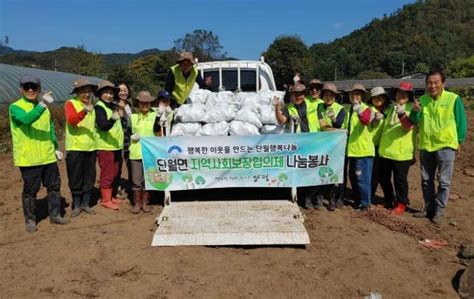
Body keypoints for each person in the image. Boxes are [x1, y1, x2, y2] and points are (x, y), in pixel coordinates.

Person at [9, 75, 68, 232]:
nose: (30, 90)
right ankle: (30, 219)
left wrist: (55, 147)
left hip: (47, 155)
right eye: (26, 87)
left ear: (39, 90)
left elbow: (51, 129)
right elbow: (27, 120)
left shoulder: (45, 108)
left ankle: (55, 215)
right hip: (29, 158)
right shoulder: (15, 107)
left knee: (54, 186)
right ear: (20, 89)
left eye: (33, 87)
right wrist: (42, 104)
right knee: (31, 190)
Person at [410, 68, 467, 224]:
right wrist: (414, 112)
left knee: (444, 181)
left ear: (443, 83)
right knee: (426, 180)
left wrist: (459, 141)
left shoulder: (453, 99)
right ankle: (429, 208)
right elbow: (414, 120)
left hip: (446, 146)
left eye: (436, 82)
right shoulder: (422, 100)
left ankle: (440, 211)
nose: (432, 86)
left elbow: (461, 122)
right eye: (429, 83)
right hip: (426, 146)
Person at [274, 83, 322, 209]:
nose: (298, 96)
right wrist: (276, 107)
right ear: (292, 95)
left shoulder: (314, 106)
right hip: (299, 145)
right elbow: (281, 120)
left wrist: (334, 130)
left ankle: (311, 196)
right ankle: (304, 198)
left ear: (304, 95)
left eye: (300, 94)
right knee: (302, 172)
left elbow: (322, 123)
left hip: (314, 142)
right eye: (295, 94)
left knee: (315, 171)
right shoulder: (288, 108)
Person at [378, 82, 417, 215]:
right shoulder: (390, 108)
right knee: (383, 177)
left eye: (405, 93)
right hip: (386, 151)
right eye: (399, 92)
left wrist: (402, 115)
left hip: (401, 153)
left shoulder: (412, 110)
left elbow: (408, 127)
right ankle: (389, 199)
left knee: (400, 180)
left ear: (409, 96)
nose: (401, 95)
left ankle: (401, 203)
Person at [64, 78, 98, 217]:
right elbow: (72, 121)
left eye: (88, 91)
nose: (86, 94)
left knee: (89, 177)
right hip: (76, 148)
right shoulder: (71, 103)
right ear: (77, 93)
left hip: (91, 147)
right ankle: (76, 204)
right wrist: (84, 111)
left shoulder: (92, 108)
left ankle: (86, 203)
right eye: (83, 91)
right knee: (75, 177)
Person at [129, 91, 162, 213]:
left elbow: (157, 129)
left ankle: (145, 203)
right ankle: (137, 203)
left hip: (150, 152)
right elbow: (127, 132)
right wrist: (131, 136)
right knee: (137, 180)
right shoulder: (132, 117)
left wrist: (159, 116)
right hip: (135, 152)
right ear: (138, 103)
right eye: (142, 102)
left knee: (149, 179)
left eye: (147, 103)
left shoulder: (155, 115)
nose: (145, 105)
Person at [317, 83, 347, 211]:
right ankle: (324, 196)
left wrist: (333, 122)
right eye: (326, 94)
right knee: (324, 169)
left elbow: (339, 124)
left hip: (337, 145)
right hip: (323, 144)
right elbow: (322, 124)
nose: (328, 97)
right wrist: (331, 127)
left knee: (338, 171)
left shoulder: (341, 109)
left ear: (335, 96)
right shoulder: (319, 107)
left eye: (331, 95)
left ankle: (337, 198)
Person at [94, 80, 123, 210]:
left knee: (115, 172)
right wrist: (113, 118)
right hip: (105, 147)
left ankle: (110, 196)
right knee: (107, 173)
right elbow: (102, 126)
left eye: (111, 93)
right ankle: (106, 200)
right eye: (106, 93)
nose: (109, 95)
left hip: (115, 146)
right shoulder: (99, 107)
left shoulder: (111, 107)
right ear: (100, 94)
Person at [346, 83, 374, 211]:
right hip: (353, 150)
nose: (355, 96)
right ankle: (358, 201)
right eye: (353, 93)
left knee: (362, 179)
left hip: (362, 150)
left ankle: (365, 204)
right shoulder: (350, 110)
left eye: (358, 94)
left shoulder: (366, 109)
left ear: (362, 96)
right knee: (354, 177)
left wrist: (359, 112)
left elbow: (366, 121)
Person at [368, 86, 390, 200]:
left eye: (380, 96)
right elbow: (372, 124)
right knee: (373, 173)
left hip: (387, 146)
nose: (377, 99)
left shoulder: (389, 110)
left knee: (384, 174)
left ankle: (389, 197)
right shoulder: (370, 110)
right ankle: (370, 195)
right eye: (374, 97)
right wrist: (376, 119)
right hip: (373, 145)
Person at [115, 81, 133, 201]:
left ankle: (132, 187)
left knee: (131, 163)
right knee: (117, 165)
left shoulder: (130, 105)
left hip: (130, 138)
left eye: (125, 90)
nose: (123, 92)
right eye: (120, 90)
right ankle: (117, 188)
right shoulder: (113, 105)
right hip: (118, 139)